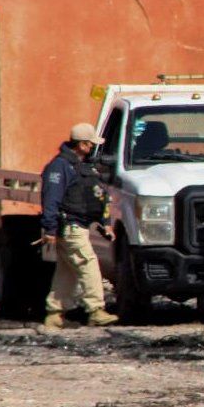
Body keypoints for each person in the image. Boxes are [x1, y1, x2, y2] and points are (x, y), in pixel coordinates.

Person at [39, 123, 119, 328]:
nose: (92, 148)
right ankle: (96, 309)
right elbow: (51, 199)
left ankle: (54, 313)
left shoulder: (81, 166)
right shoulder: (60, 167)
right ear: (82, 144)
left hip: (80, 226)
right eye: (90, 144)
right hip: (70, 227)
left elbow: (95, 196)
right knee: (88, 263)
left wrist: (104, 223)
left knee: (66, 271)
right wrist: (50, 228)